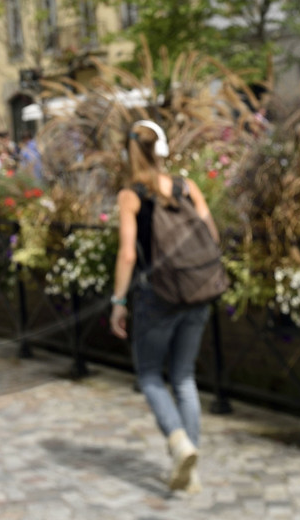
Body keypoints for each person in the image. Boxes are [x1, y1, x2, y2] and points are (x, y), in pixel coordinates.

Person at [108, 120, 219, 492]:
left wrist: (118, 302)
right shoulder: (188, 186)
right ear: (161, 149)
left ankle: (178, 442)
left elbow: (127, 254)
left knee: (151, 375)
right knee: (184, 377)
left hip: (157, 295)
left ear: (129, 153)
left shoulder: (131, 195)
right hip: (198, 287)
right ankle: (191, 468)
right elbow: (211, 235)